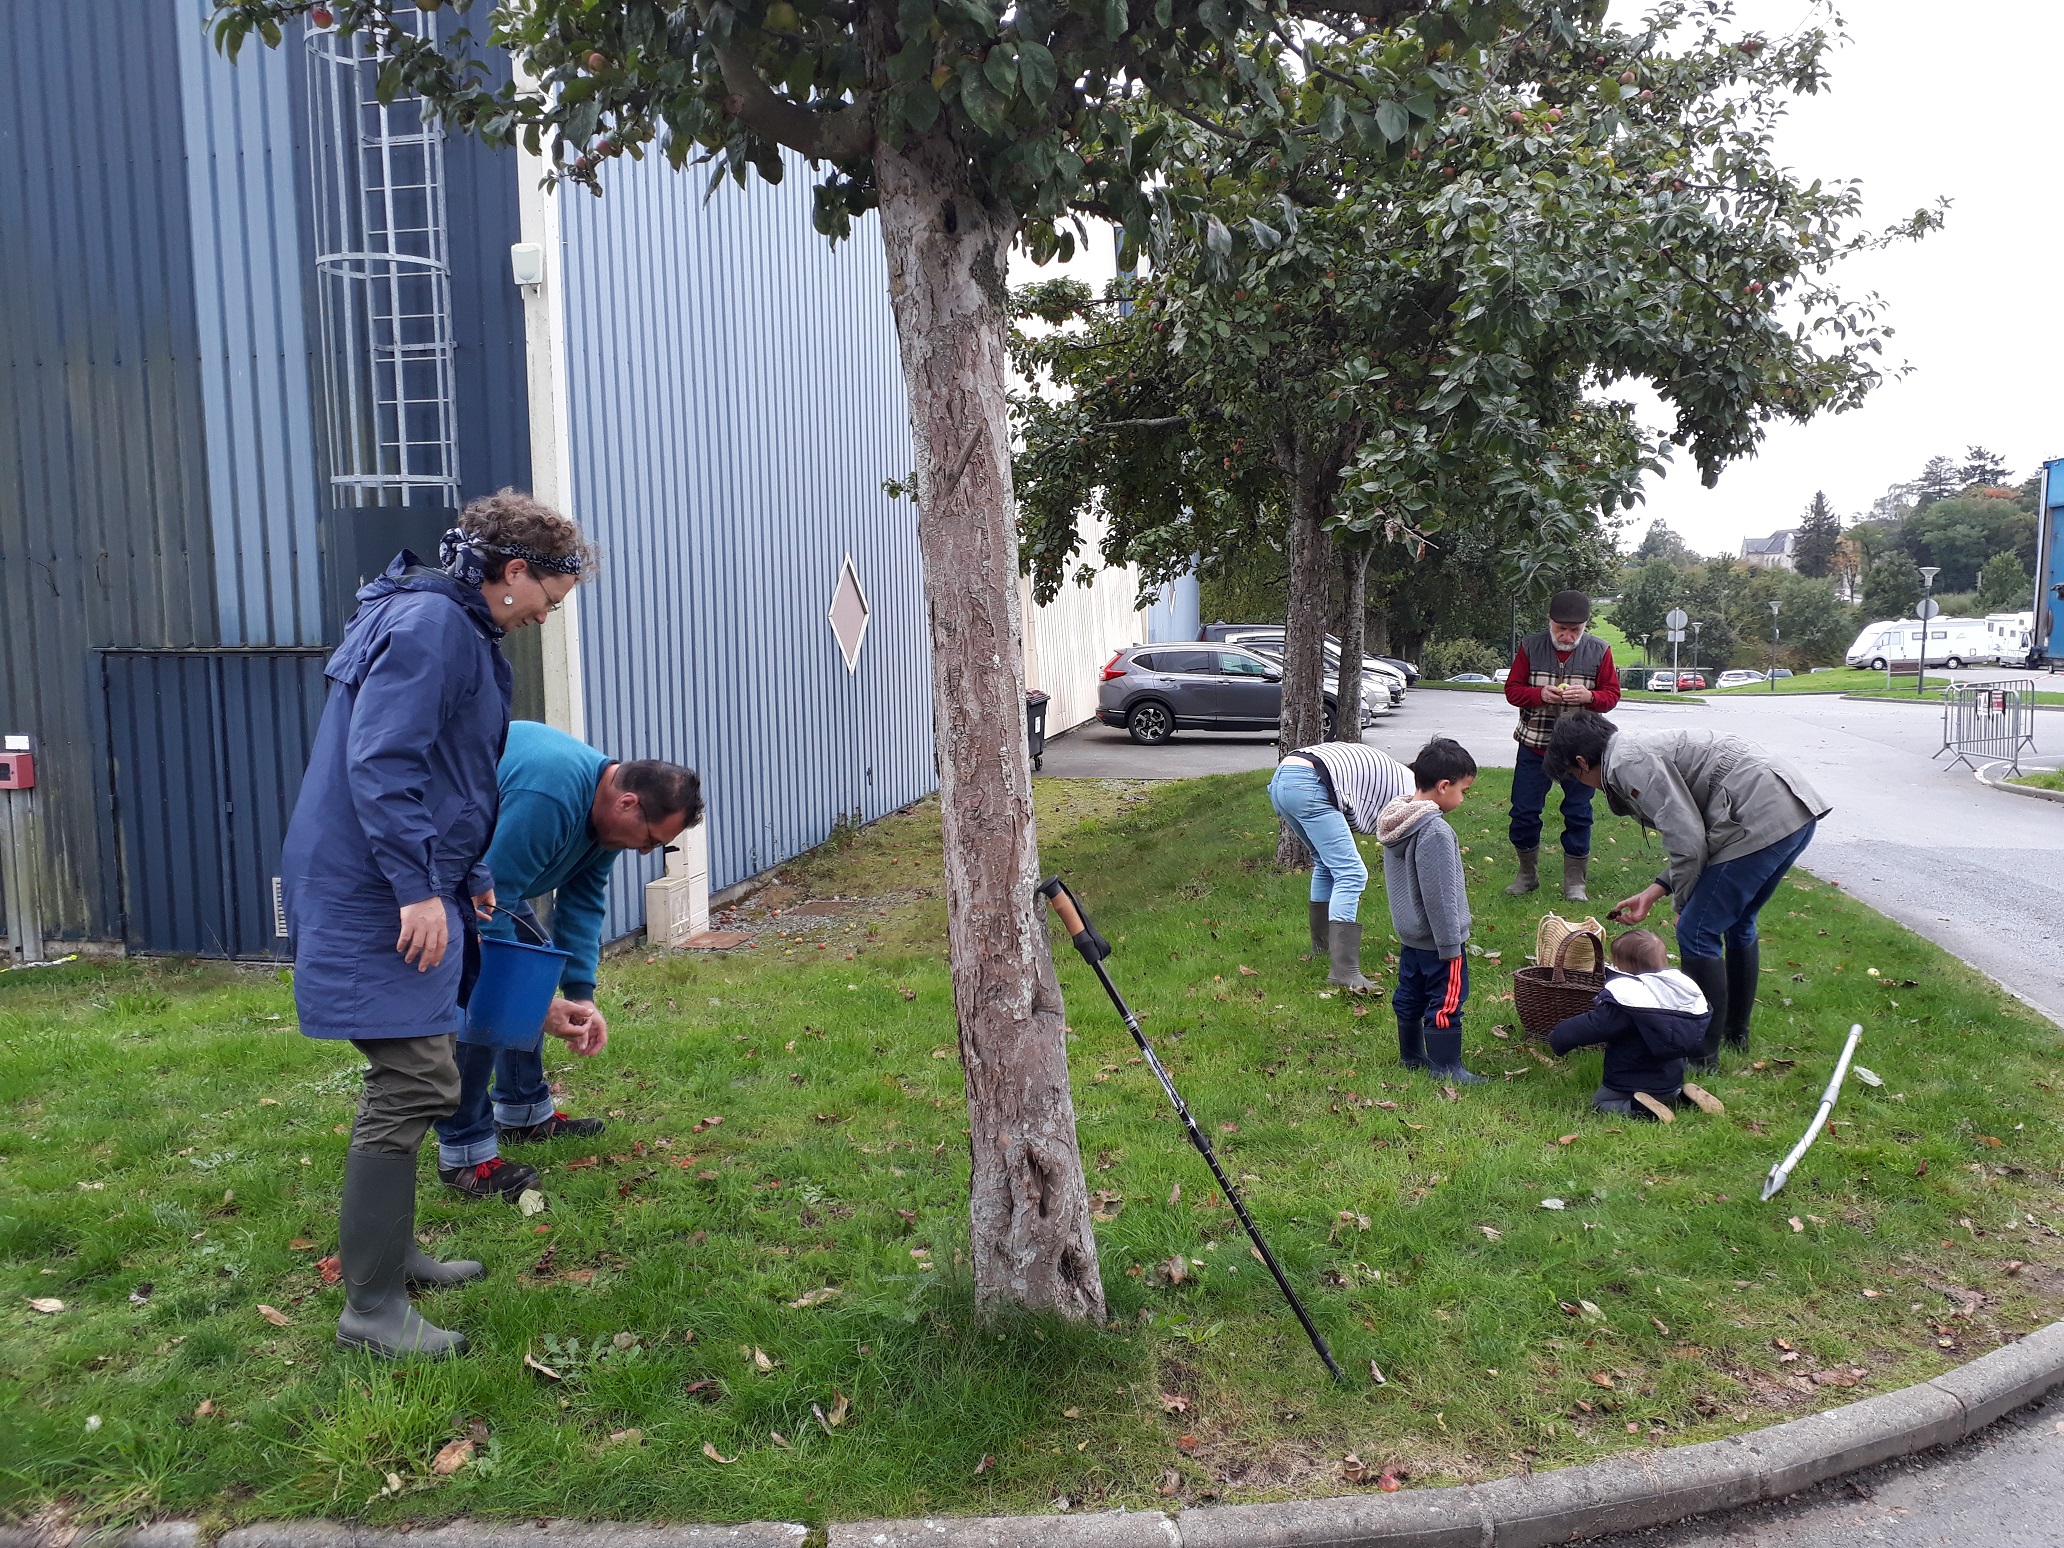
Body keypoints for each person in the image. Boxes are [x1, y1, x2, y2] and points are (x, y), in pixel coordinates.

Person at [280, 491, 591, 1359]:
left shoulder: (449, 621)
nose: (546, 615)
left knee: (422, 1061)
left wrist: (471, 874)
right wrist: (419, 887)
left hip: (404, 877)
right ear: (516, 570)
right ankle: (371, 1310)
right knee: (415, 1077)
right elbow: (383, 760)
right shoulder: (434, 627)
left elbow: (452, 769)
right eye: (549, 598)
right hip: (370, 886)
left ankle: (395, 1254)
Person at [434, 723, 705, 1199]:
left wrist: (580, 994)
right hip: (445, 884)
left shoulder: (606, 816)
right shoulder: (552, 797)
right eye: (647, 839)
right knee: (485, 1000)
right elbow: (487, 905)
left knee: (531, 968)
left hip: (495, 887)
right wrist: (530, 1005)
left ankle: (522, 1114)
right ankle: (464, 1156)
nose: (643, 851)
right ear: (628, 802)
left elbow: (581, 902)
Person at [1542, 710, 1831, 1073]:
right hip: (1792, 811)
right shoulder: (1631, 749)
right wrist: (1656, 890)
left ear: (1582, 762)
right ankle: (1734, 1034)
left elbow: (1689, 841)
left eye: (1575, 776)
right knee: (1739, 923)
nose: (1584, 784)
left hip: (1760, 817)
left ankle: (1700, 1055)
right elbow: (1699, 830)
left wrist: (1685, 902)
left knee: (1696, 931)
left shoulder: (1628, 764)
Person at [1267, 740, 1417, 990]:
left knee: (1325, 864)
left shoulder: (1396, 775)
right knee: (1352, 873)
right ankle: (1344, 971)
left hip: (1285, 778)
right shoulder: (1410, 792)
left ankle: (1322, 947)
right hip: (1308, 781)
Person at [1503, 590, 1621, 903]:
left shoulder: (1600, 651)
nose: (1567, 636)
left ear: (1585, 627)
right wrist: (1539, 695)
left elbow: (1612, 695)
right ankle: (1527, 874)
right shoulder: (1530, 646)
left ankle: (1575, 882)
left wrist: (1590, 698)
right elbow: (1512, 690)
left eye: (1575, 631)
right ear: (1550, 622)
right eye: (1560, 629)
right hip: (1535, 745)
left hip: (1581, 751)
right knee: (1524, 812)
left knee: (1579, 813)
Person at [1376, 738, 1482, 1085]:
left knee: (1410, 992)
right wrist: (1451, 944)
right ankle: (1447, 1068)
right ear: (1443, 786)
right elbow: (1439, 895)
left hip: (1412, 936)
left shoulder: (1398, 820)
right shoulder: (1433, 831)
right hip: (1440, 941)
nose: (1463, 799)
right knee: (1447, 999)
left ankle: (1412, 1056)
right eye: (1464, 791)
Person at [1548, 929, 1710, 1119]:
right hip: (1670, 1080)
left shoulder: (1630, 1000)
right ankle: (1682, 1098)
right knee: (1666, 1095)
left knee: (1601, 1103)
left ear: (1623, 966)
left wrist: (1558, 1037)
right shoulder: (1678, 993)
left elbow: (1593, 1025)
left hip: (1628, 1081)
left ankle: (1639, 1110)